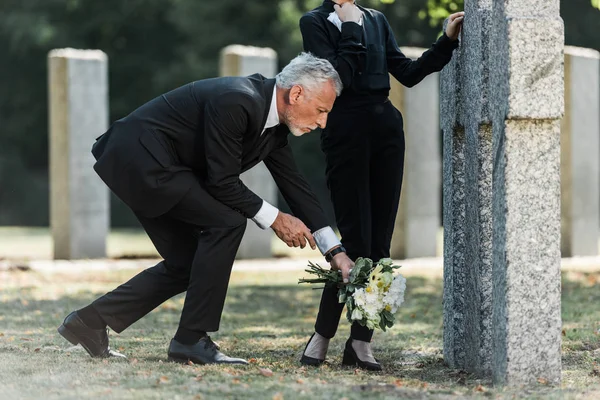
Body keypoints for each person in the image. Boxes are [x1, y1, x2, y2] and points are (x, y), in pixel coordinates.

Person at [57, 53, 355, 365]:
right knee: (227, 222)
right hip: (141, 160)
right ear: (295, 94)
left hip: (161, 166)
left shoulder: (275, 126)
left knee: (188, 263)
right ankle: (190, 340)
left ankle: (88, 322)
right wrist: (276, 218)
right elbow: (222, 182)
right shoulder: (238, 100)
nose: (322, 122)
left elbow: (295, 186)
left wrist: (334, 250)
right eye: (321, 111)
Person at [298, 0, 464, 370]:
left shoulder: (377, 19)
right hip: (344, 131)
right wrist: (350, 28)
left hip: (387, 130)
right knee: (354, 241)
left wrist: (446, 42)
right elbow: (334, 80)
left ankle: (360, 344)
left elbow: (406, 72)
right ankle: (322, 334)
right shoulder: (314, 22)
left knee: (379, 243)